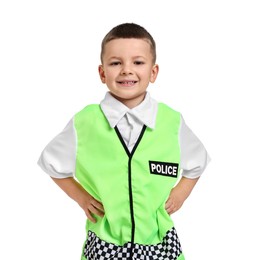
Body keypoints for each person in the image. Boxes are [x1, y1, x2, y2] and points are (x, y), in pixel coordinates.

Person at [38, 23, 210, 260]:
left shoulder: (171, 121)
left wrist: (181, 192)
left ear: (153, 72)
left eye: (138, 62)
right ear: (102, 73)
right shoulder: (86, 122)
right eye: (116, 63)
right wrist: (82, 197)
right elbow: (51, 163)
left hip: (158, 241)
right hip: (105, 242)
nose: (126, 70)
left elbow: (198, 162)